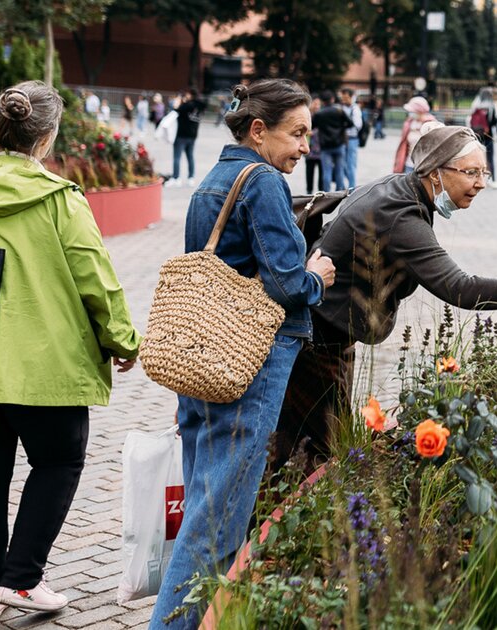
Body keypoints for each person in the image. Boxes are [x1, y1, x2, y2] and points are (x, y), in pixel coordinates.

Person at [0, 80, 141, 624]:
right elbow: (99, 282)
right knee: (59, 461)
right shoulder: (62, 200)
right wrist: (122, 341)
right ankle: (21, 579)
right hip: (48, 368)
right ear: (47, 138)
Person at [275, 123, 497, 471]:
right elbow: (460, 288)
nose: (481, 183)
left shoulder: (400, 189)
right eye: (471, 172)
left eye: (484, 172)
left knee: (300, 442)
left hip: (321, 333)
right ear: (434, 172)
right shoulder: (401, 216)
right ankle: (269, 516)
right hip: (318, 340)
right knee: (316, 451)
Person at [150, 79, 336, 629]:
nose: (305, 146)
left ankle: (205, 617)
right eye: (296, 133)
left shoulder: (214, 179)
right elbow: (283, 283)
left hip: (201, 355)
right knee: (220, 517)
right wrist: (316, 276)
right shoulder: (263, 183)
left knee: (206, 500)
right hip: (250, 360)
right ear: (259, 130)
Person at [312, 90, 353, 191]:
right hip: (339, 144)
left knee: (327, 172)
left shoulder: (319, 114)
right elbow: (350, 124)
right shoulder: (339, 111)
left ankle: (326, 194)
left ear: (322, 101)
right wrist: (341, 127)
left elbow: (312, 126)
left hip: (325, 146)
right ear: (332, 99)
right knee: (339, 171)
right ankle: (339, 192)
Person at [167, 88, 206, 188]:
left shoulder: (187, 105)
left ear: (190, 95)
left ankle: (176, 178)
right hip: (192, 136)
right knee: (190, 157)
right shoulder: (200, 106)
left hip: (181, 135)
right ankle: (191, 178)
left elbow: (175, 110)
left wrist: (180, 101)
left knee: (177, 157)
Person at [469, 86, 497, 188]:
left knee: (476, 157)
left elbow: (471, 119)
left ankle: (473, 179)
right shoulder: (491, 106)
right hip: (488, 135)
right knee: (490, 158)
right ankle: (491, 179)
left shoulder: (476, 106)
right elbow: (493, 122)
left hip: (477, 134)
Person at [393, 96, 436, 174]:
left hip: (424, 166)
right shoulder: (409, 123)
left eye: (412, 111)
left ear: (419, 110)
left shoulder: (431, 124)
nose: (410, 113)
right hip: (409, 163)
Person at [339, 88, 363, 188]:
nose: (344, 100)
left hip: (352, 139)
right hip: (342, 139)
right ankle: (344, 186)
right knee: (342, 165)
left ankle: (352, 188)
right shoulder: (341, 108)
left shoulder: (355, 109)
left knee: (351, 165)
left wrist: (346, 124)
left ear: (352, 97)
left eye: (346, 97)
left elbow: (358, 125)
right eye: (343, 98)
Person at [304, 95, 324, 195]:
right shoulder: (306, 116)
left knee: (322, 171)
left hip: (321, 148)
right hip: (310, 148)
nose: (317, 106)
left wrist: (313, 132)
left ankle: (321, 192)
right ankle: (309, 190)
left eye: (318, 104)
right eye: (315, 103)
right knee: (309, 171)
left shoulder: (323, 115)